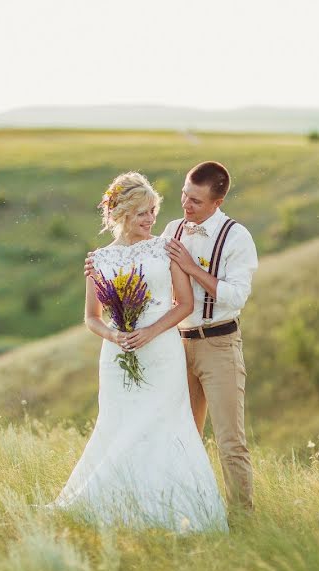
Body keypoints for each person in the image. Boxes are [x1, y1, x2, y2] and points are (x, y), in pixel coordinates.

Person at [49, 171, 228, 533]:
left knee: (166, 425)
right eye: (143, 213)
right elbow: (90, 319)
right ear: (124, 214)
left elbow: (184, 303)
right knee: (119, 426)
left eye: (153, 211)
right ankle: (116, 509)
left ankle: (175, 511)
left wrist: (149, 332)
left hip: (161, 352)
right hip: (117, 358)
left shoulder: (164, 249)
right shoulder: (97, 260)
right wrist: (116, 337)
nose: (151, 220)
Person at [86, 161, 258, 512]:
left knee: (230, 440)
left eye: (195, 201)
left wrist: (192, 268)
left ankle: (243, 517)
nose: (185, 205)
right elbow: (139, 260)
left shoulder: (236, 237)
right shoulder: (171, 230)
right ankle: (187, 508)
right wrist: (99, 269)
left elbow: (236, 296)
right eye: (183, 196)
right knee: (182, 437)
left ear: (217, 202)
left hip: (218, 344)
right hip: (176, 346)